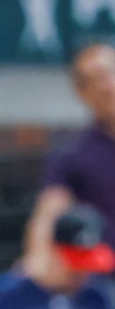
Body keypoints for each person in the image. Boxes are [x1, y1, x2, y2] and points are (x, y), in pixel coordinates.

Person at [25, 43, 115, 268]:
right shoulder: (73, 155)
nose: (107, 86)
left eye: (111, 73)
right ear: (81, 92)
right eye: (96, 79)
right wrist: (37, 261)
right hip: (103, 283)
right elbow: (48, 215)